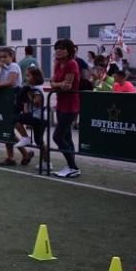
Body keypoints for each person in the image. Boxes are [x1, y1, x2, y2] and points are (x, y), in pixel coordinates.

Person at [51, 38, 82, 178]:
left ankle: (73, 166)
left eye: (62, 48)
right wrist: (58, 84)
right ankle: (71, 166)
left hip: (71, 106)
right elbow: (53, 82)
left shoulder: (72, 64)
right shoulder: (58, 64)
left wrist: (56, 84)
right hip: (60, 103)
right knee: (67, 137)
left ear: (69, 50)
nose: (58, 50)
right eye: (57, 48)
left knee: (57, 136)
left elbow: (67, 86)